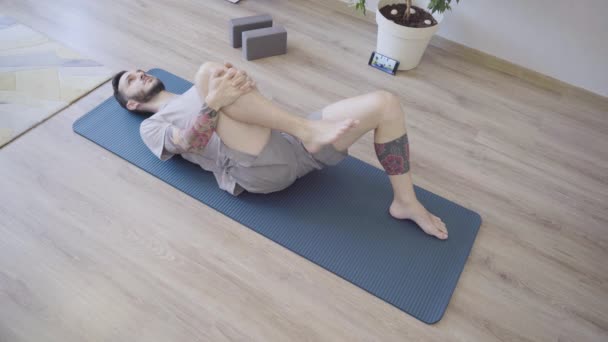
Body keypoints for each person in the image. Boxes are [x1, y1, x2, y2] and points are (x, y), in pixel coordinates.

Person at [111, 61, 448, 239]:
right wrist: (214, 101)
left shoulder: (201, 91)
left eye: (139, 71)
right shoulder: (151, 126)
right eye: (131, 80)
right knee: (207, 73)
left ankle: (406, 202)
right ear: (130, 103)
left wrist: (241, 86)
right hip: (258, 166)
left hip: (287, 141)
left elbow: (253, 106)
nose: (140, 75)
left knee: (385, 103)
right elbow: (190, 143)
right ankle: (309, 130)